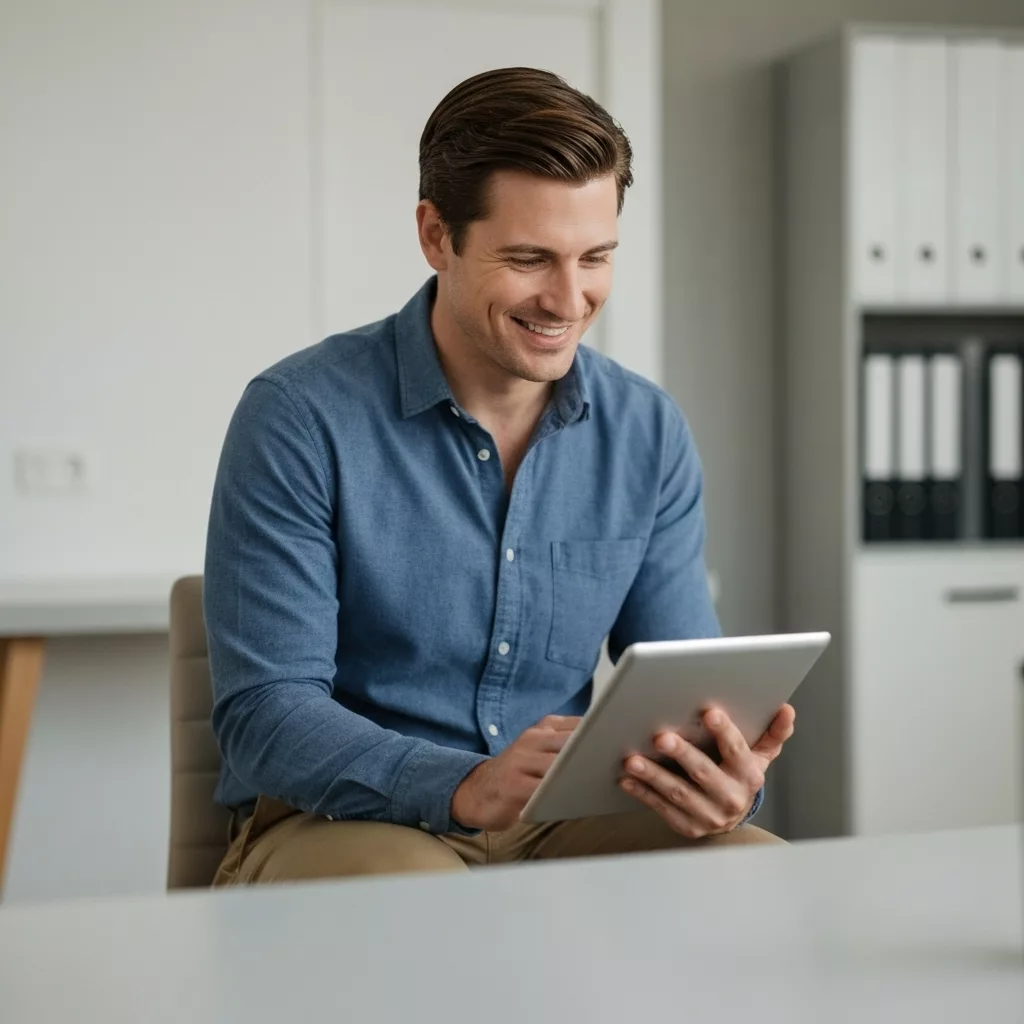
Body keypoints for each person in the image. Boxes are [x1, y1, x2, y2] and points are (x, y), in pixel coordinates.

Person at [206, 67, 795, 887]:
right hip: (340, 819)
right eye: (529, 259)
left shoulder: (647, 431)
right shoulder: (299, 416)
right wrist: (465, 784)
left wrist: (722, 780)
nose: (568, 299)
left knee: (758, 879)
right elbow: (264, 715)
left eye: (595, 257)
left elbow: (688, 694)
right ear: (436, 235)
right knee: (426, 906)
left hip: (558, 818)